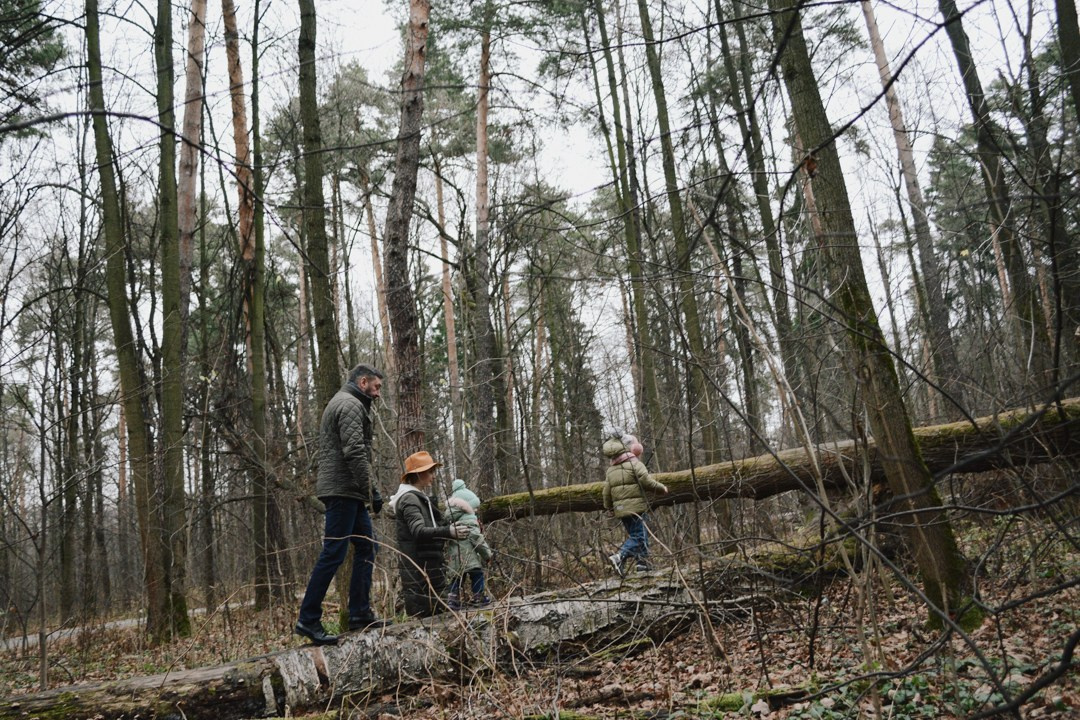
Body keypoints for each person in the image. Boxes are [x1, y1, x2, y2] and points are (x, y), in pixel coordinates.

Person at [295, 364, 391, 646]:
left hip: (347, 490)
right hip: (342, 490)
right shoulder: (349, 404)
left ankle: (360, 613)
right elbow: (354, 452)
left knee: (367, 544)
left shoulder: (349, 402)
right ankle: (308, 619)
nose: (378, 393)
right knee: (333, 553)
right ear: (363, 382)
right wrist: (371, 490)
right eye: (376, 387)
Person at [388, 451, 470, 617]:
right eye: (430, 471)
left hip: (431, 567)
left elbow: (431, 526)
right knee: (424, 620)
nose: (433, 476)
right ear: (418, 474)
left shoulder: (418, 497)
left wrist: (450, 527)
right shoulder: (409, 499)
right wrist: (449, 532)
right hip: (419, 571)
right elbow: (418, 531)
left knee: (440, 618)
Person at [602, 432, 668, 576]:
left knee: (639, 535)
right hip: (635, 509)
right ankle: (620, 556)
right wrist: (661, 488)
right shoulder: (634, 464)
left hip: (621, 510)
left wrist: (609, 507)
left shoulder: (611, 469)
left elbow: (606, 492)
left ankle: (642, 564)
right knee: (639, 537)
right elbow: (646, 481)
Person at [444, 479, 493, 609]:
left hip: (455, 558)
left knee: (457, 577)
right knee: (477, 574)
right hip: (470, 558)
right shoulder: (470, 524)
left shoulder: (452, 525)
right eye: (474, 508)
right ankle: (478, 596)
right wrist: (487, 555)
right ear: (467, 509)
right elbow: (479, 541)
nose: (476, 511)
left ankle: (452, 599)